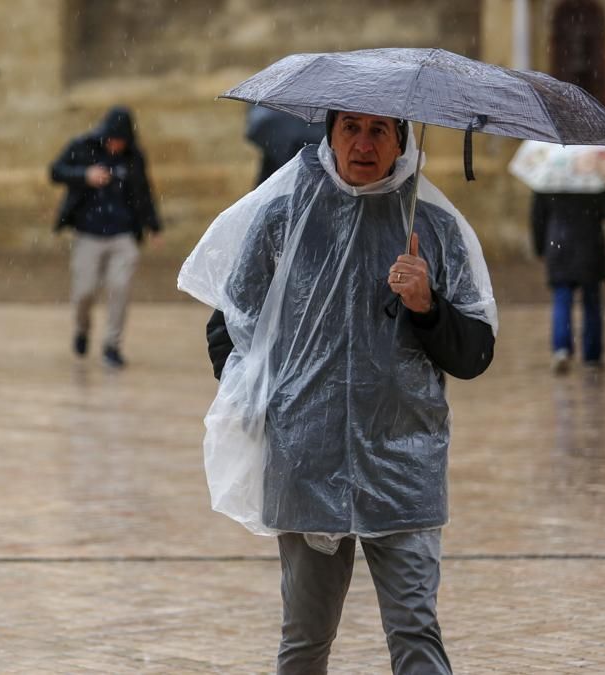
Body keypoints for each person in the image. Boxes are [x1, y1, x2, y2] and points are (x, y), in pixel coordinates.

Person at [185, 110, 498, 674]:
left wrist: (428, 306)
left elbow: (474, 353)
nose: (363, 143)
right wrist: (270, 406)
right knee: (305, 639)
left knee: (415, 632)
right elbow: (227, 330)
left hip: (406, 468)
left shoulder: (433, 229)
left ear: (401, 143)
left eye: (380, 130)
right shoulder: (284, 220)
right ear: (329, 136)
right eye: (350, 127)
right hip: (307, 465)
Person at [50, 106, 161, 368]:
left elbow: (144, 192)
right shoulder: (82, 146)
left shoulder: (134, 157)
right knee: (84, 292)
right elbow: (55, 171)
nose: (116, 145)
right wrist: (84, 176)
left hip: (123, 235)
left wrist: (154, 226)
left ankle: (112, 345)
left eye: (121, 141)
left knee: (120, 288)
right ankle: (82, 328)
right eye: (112, 139)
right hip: (88, 234)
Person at [531, 188, 605, 373]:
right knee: (592, 302)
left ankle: (561, 349)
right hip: (590, 245)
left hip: (559, 243)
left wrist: (540, 247)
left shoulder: (549, 177)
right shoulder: (594, 177)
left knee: (562, 299)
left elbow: (537, 216)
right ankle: (592, 356)